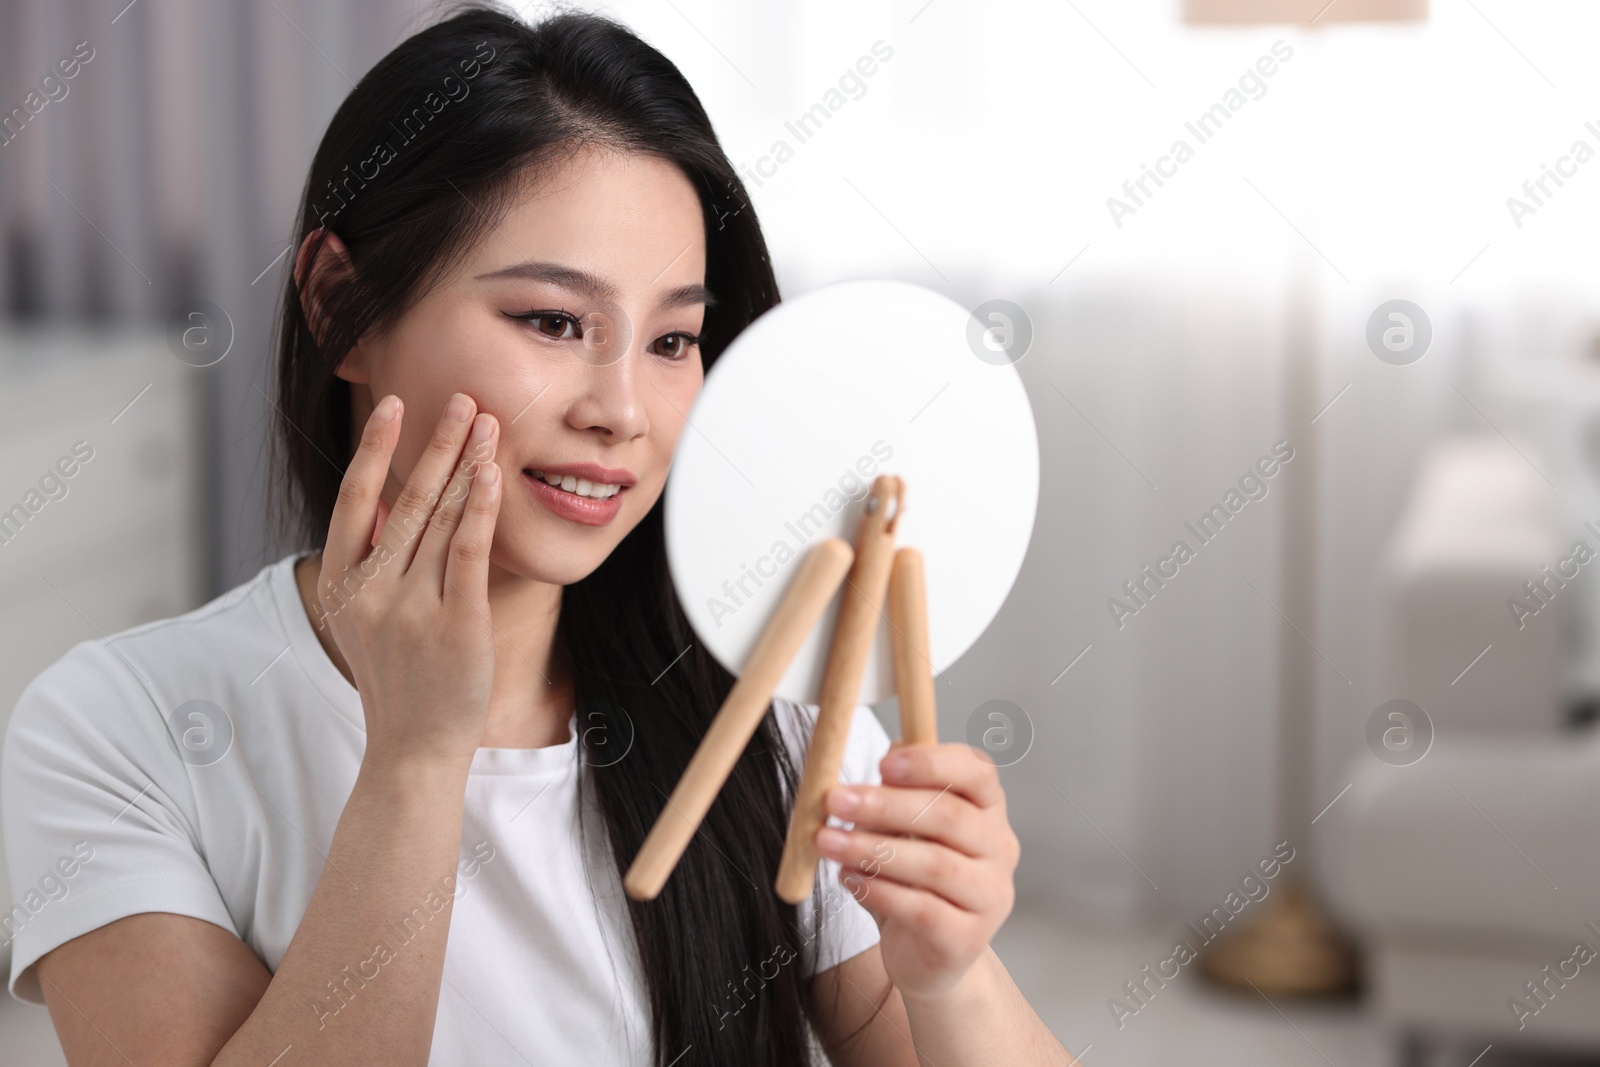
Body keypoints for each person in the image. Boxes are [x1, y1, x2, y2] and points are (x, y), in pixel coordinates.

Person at [2, 6, 1076, 1065]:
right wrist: (418, 759)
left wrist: (951, 975)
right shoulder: (115, 730)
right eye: (553, 321)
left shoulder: (776, 708)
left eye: (672, 338)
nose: (624, 410)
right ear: (342, 304)